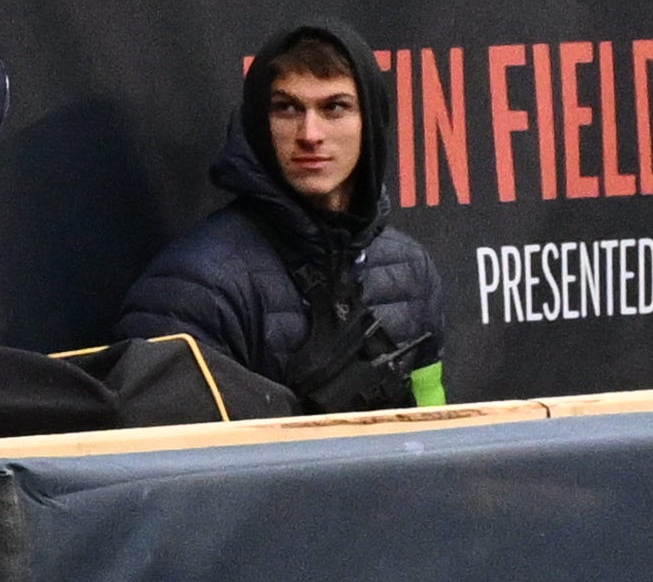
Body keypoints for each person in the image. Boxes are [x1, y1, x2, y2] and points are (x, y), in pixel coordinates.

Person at [117, 22, 450, 411]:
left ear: (370, 123)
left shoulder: (410, 268)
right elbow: (175, 464)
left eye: (334, 107)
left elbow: (436, 436)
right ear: (260, 124)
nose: (310, 133)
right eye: (287, 108)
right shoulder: (195, 286)